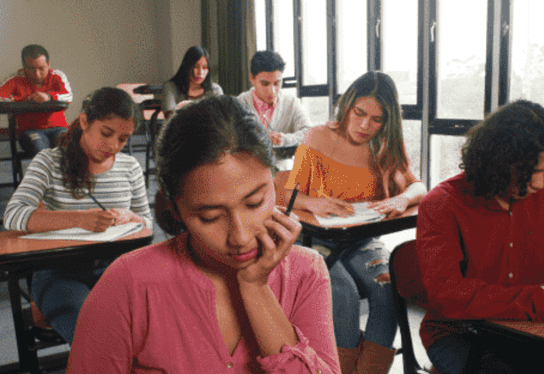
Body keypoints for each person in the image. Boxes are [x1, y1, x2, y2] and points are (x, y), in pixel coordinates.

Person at [66, 96, 340, 373]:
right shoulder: (128, 283)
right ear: (176, 210)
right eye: (210, 217)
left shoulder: (307, 271)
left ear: (274, 182)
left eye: (255, 203)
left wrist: (256, 288)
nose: (240, 237)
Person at [416, 100, 544, 374]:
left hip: (528, 330)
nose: (540, 183)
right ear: (497, 162)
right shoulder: (441, 204)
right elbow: (447, 294)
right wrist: (543, 304)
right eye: (532, 172)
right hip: (460, 335)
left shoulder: (543, 195)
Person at [284, 71, 427, 373]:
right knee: (343, 295)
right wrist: (314, 201)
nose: (365, 125)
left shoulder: (384, 146)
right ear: (347, 106)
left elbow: (418, 186)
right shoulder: (318, 136)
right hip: (314, 241)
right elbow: (286, 195)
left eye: (377, 119)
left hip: (361, 241)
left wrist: (402, 199)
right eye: (359, 113)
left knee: (388, 287)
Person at [3, 87, 153, 344]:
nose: (114, 146)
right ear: (84, 121)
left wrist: (131, 216)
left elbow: (147, 223)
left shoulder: (130, 167)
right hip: (60, 272)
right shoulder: (49, 162)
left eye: (123, 139)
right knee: (97, 337)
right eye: (106, 133)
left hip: (116, 270)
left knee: (154, 332)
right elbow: (14, 215)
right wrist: (79, 220)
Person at [236, 50, 313, 170]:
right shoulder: (240, 103)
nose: (272, 91)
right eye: (265, 84)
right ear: (252, 78)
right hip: (248, 170)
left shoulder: (291, 103)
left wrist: (284, 139)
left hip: (283, 171)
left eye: (277, 83)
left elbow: (309, 133)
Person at [0, 44, 73, 157]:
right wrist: (22, 100)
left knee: (70, 147)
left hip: (58, 128)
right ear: (24, 66)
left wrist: (48, 96)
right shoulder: (14, 79)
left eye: (41, 68)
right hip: (30, 130)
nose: (37, 74)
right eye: (31, 69)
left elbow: (68, 96)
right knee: (42, 152)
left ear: (48, 64)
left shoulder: (57, 76)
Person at [162, 46, 223, 116]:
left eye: (204, 67)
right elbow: (170, 117)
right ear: (186, 66)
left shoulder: (215, 90)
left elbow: (221, 117)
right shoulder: (171, 87)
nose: (200, 72)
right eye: (196, 66)